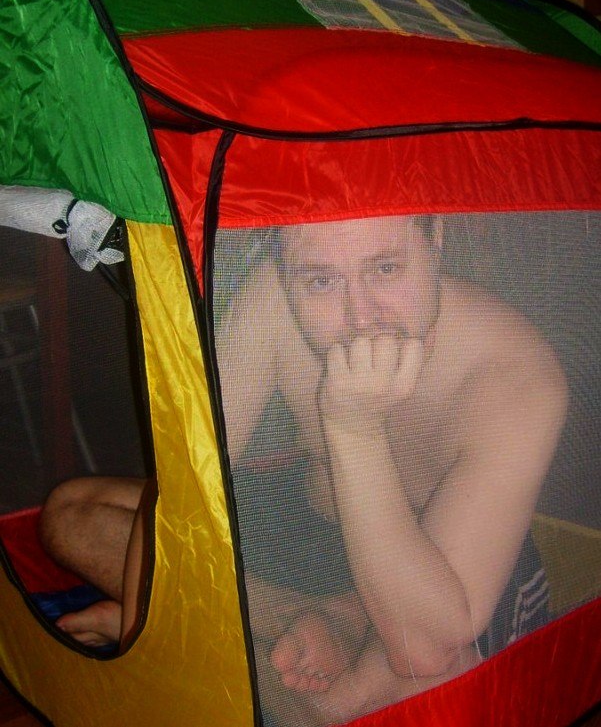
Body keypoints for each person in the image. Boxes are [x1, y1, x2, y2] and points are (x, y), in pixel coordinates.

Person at [39, 215, 567, 725]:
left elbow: (424, 647)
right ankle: (303, 628)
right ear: (286, 268)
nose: (361, 317)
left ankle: (276, 658)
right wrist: (146, 630)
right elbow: (185, 491)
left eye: (385, 269)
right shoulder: (273, 297)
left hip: (428, 591)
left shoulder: (515, 376)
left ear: (435, 239)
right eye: (320, 281)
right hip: (307, 543)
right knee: (74, 514)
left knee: (432, 681)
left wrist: (354, 428)